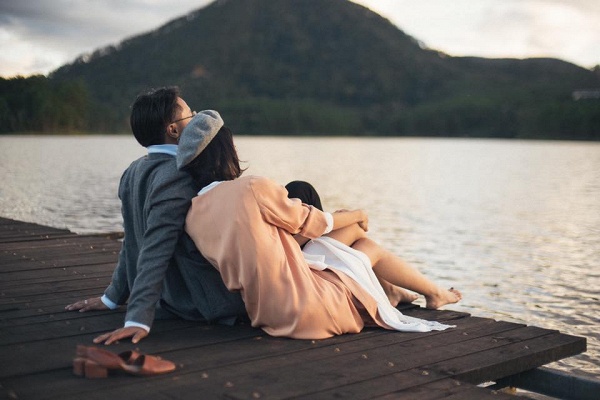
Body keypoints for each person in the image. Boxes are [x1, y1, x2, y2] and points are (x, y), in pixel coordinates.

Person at [177, 110, 462, 339]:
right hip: (309, 306)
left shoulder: (192, 217)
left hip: (267, 315)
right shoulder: (250, 188)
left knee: (353, 237)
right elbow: (316, 222)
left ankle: (404, 291)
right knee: (365, 243)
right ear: (226, 152)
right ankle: (430, 292)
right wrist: (358, 213)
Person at [65, 87, 246, 344]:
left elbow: (132, 241)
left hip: (171, 296)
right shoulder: (178, 175)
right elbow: (155, 248)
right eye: (191, 115)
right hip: (199, 301)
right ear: (173, 130)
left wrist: (112, 298)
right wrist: (137, 318)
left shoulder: (133, 170)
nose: (196, 119)